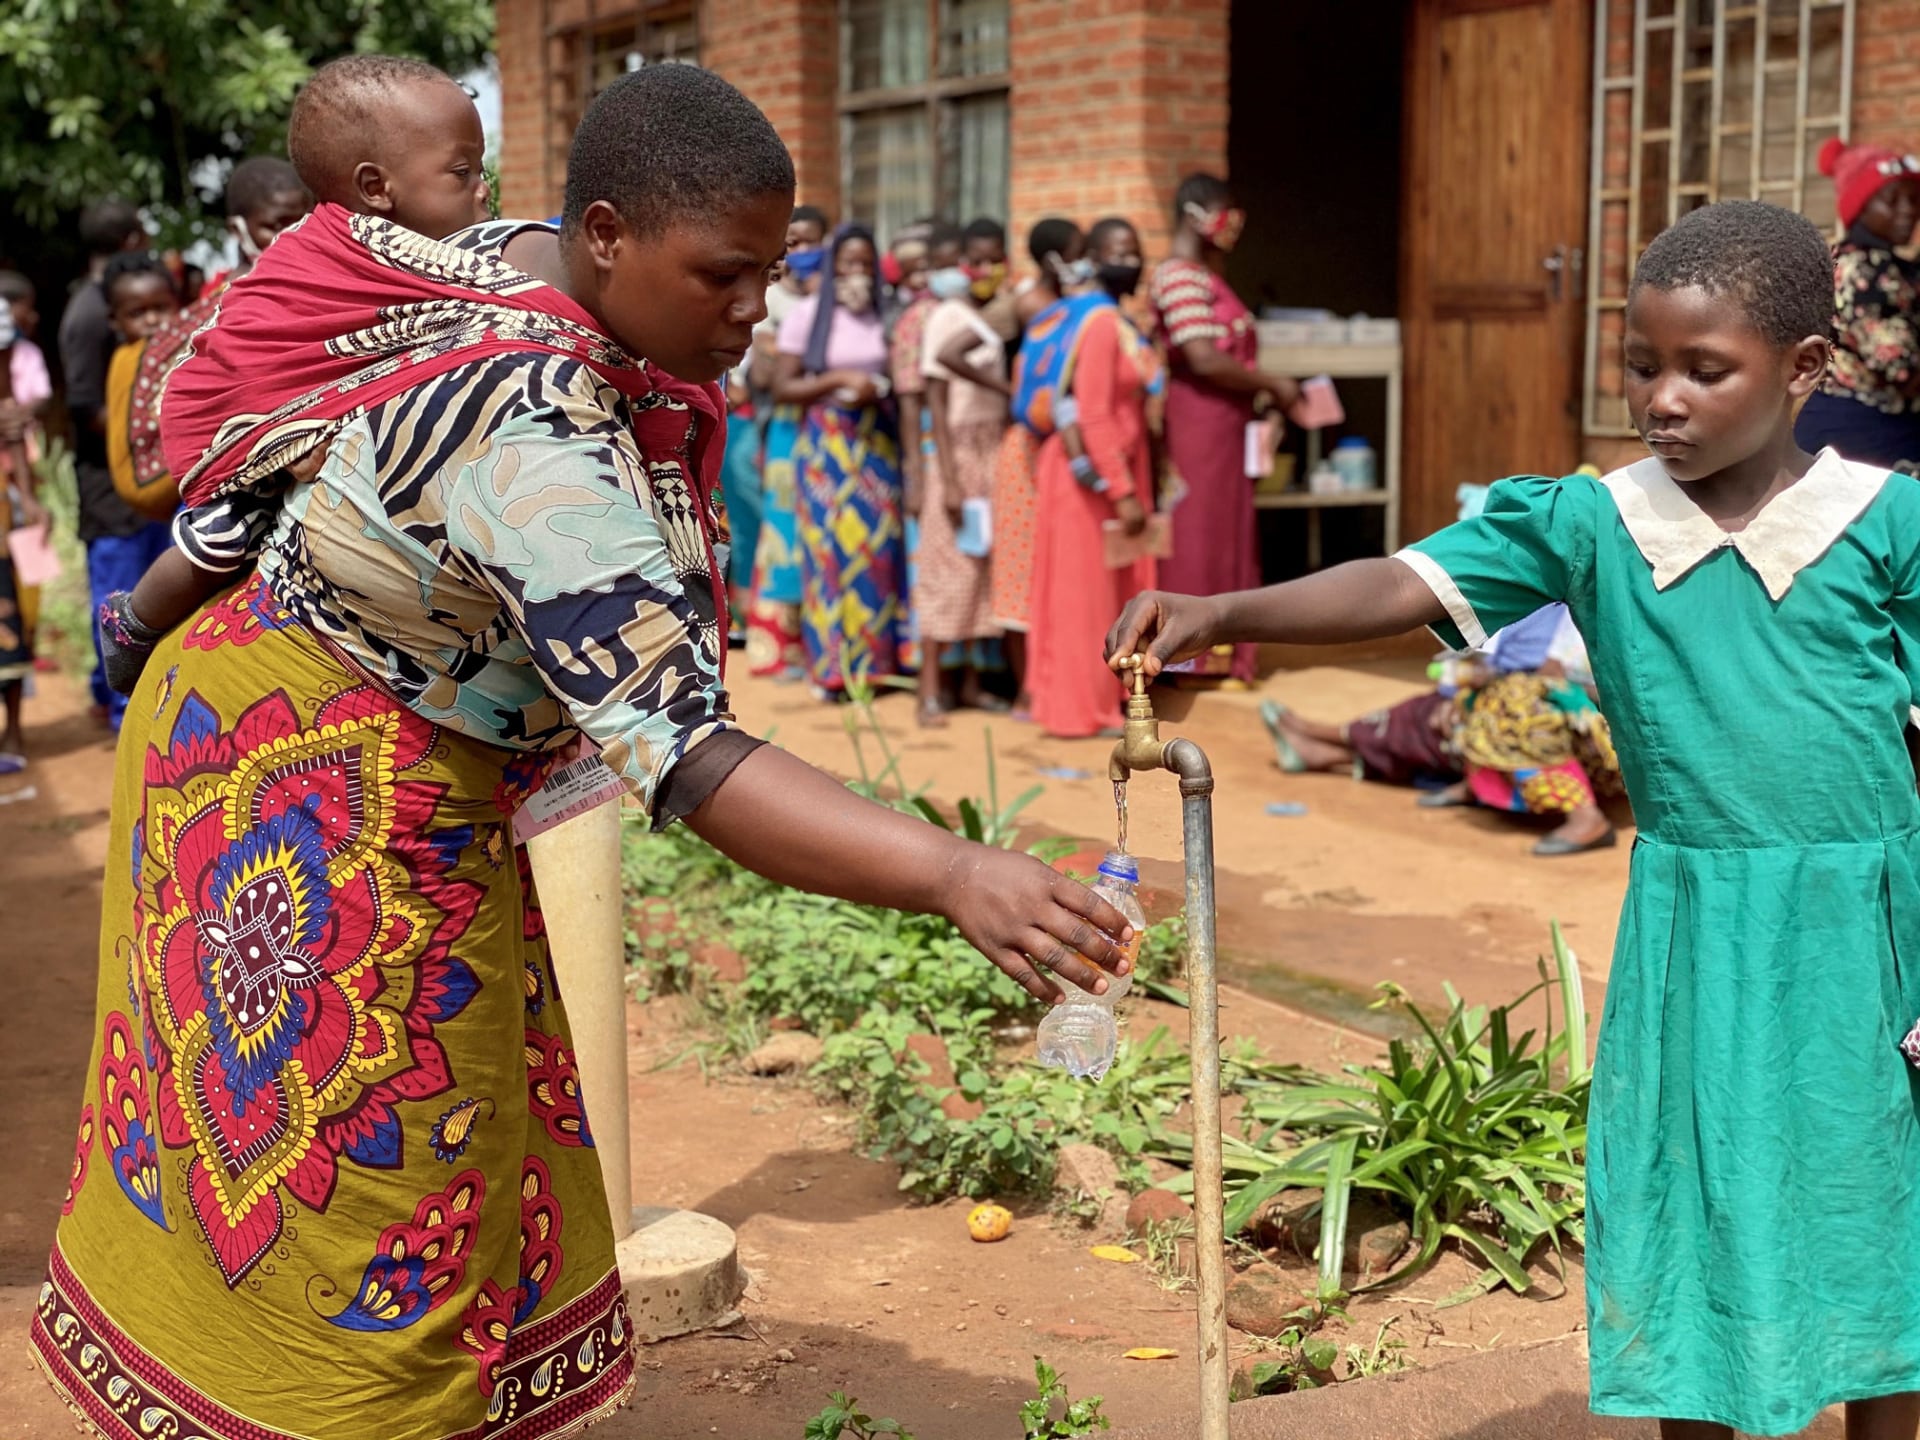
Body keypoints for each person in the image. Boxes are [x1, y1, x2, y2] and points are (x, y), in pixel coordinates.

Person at [34, 65, 1132, 1440]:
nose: (752, 311)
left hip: (348, 727)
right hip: (298, 762)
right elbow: (685, 755)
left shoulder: (523, 263)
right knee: (355, 1161)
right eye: (720, 274)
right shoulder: (533, 428)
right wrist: (950, 872)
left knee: (458, 1119)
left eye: (771, 273)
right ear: (607, 233)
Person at [1111, 198, 1920, 1439]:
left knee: (1877, 1208)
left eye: (1707, 370)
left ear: (1806, 369)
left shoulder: (1887, 525)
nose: (1664, 399)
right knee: (1679, 1200)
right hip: (1698, 928)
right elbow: (1403, 579)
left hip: (1869, 932)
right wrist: (1227, 606)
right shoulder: (1594, 522)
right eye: (1643, 365)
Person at [95, 63, 491, 694]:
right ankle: (133, 622)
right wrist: (289, 435)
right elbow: (253, 362)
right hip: (274, 447)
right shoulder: (311, 262)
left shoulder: (449, 270)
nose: (484, 189)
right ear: (376, 186)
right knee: (218, 541)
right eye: (463, 172)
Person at [1261, 603, 1622, 856]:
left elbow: (1565, 675)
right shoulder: (1539, 594)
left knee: (1512, 706)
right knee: (1434, 712)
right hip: (1545, 703)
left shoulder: (1604, 588)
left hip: (1609, 729)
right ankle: (1329, 750)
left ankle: (1585, 817)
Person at [1150, 174, 1302, 686]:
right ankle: (1182, 656)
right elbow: (1202, 357)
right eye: (1223, 211)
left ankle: (1222, 652)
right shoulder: (1179, 277)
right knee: (1197, 535)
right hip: (1197, 426)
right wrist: (1274, 384)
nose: (1232, 223)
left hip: (1226, 426)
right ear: (1193, 213)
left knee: (1226, 533)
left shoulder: (1206, 275)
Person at [1029, 218, 1163, 739]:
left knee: (1109, 593)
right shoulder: (1101, 324)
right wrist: (1122, 489)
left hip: (1116, 474)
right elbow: (1093, 412)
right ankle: (1080, 710)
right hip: (1094, 482)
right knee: (1083, 597)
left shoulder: (1115, 322)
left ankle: (1105, 700)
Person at [772, 223, 906, 699]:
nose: (857, 274)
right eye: (847, 264)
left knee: (877, 554)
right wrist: (838, 379)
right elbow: (783, 386)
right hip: (828, 446)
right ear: (832, 268)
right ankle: (832, 670)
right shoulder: (810, 315)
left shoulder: (887, 316)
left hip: (877, 445)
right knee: (830, 554)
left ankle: (876, 666)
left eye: (865, 264)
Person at [56, 197, 171, 730]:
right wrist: (146, 426)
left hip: (153, 486)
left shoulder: (137, 309)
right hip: (111, 489)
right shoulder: (89, 316)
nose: (149, 320)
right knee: (118, 592)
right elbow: (84, 405)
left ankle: (134, 695)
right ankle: (120, 705)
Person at [995, 218, 1091, 713]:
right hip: (1028, 449)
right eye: (1077, 251)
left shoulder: (1076, 306)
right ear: (1053, 257)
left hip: (1060, 445)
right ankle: (1025, 688)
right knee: (1021, 569)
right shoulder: (1028, 307)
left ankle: (1052, 680)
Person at [916, 237, 1011, 725]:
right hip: (958, 447)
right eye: (975, 260)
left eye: (995, 260)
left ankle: (971, 681)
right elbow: (934, 395)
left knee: (981, 567)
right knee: (944, 564)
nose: (985, 268)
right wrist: (949, 476)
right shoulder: (948, 317)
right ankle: (930, 689)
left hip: (992, 448)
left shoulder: (995, 316)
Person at [1794, 139, 1920, 470]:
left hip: (1853, 427)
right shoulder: (1866, 271)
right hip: (1864, 438)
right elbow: (1901, 367)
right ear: (1861, 207)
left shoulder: (1867, 261)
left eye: (1913, 199)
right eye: (1892, 200)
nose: (1908, 209)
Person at [745, 203, 829, 679]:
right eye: (791, 242)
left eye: (811, 242)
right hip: (785, 427)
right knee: (783, 533)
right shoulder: (770, 300)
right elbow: (764, 370)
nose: (801, 252)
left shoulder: (832, 299)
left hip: (826, 433)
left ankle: (820, 642)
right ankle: (777, 647)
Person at [0, 271, 50, 769]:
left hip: (10, 512)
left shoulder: (10, 404)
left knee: (20, 613)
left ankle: (14, 729)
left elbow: (15, 435)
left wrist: (33, 505)